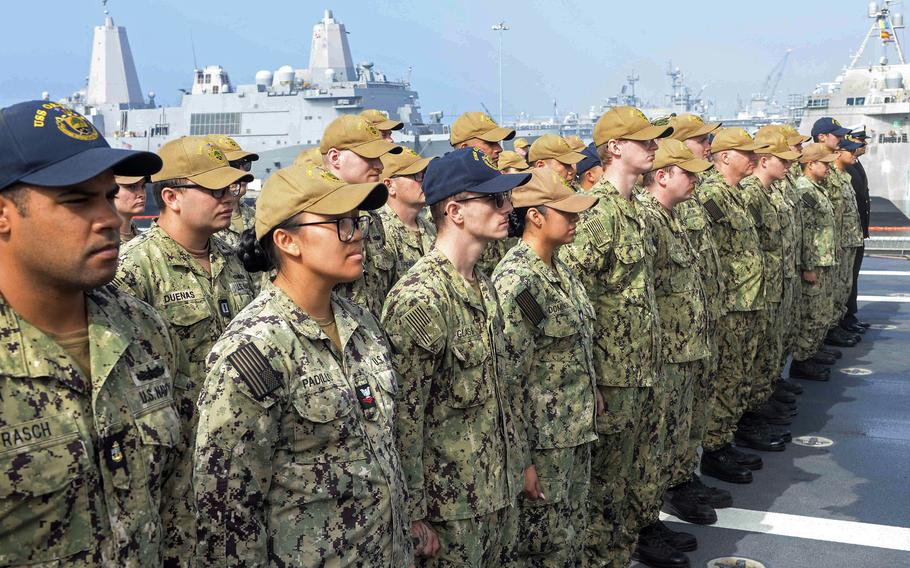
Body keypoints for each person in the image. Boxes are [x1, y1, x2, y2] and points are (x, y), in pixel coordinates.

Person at [193, 163, 413, 566]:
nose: (357, 233)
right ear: (287, 241)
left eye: (356, 221)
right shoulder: (256, 349)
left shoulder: (359, 323)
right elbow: (227, 512)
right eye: (340, 224)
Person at [0, 100, 183, 565]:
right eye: (77, 200)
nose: (107, 219)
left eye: (106, 196)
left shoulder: (142, 330)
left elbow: (177, 506)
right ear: (4, 212)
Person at [382, 147, 530, 567]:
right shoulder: (421, 299)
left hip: (495, 494)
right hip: (451, 511)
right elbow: (404, 419)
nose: (508, 207)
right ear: (455, 211)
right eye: (495, 199)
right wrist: (412, 515)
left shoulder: (484, 286)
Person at [114, 135, 256, 563]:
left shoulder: (234, 261)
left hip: (242, 458)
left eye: (231, 188)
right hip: (177, 475)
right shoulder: (134, 269)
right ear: (171, 196)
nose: (228, 197)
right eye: (214, 190)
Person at [559, 106, 677, 568]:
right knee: (604, 486)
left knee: (627, 478)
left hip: (640, 369)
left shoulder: (633, 210)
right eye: (643, 141)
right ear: (613, 148)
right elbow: (577, 302)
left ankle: (619, 554)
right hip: (611, 377)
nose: (652, 147)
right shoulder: (596, 213)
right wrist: (591, 381)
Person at [492, 168, 601, 566]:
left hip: (570, 432)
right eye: (566, 214)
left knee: (569, 535)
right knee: (542, 546)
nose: (576, 221)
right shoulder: (519, 280)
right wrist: (523, 461)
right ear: (536, 216)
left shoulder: (557, 268)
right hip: (543, 441)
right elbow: (510, 379)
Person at [638, 140, 717, 541]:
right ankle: (647, 520)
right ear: (663, 175)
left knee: (680, 430)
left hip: (686, 346)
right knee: (655, 441)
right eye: (687, 172)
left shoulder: (674, 215)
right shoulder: (648, 220)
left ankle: (677, 485)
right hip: (664, 353)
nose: (695, 179)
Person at [696, 128, 776, 486]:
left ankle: (728, 436)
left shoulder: (736, 194)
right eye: (746, 153)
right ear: (725, 156)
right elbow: (710, 255)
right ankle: (716, 449)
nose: (753, 159)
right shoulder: (712, 195)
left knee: (740, 372)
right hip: (729, 304)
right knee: (727, 376)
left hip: (747, 300)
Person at [737, 132, 802, 448]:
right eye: (784, 159)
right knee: (753, 358)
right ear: (765, 160)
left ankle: (760, 403)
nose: (791, 164)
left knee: (767, 352)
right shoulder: (750, 194)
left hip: (771, 287)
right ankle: (749, 417)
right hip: (752, 294)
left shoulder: (767, 192)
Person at [319, 114, 402, 317]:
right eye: (369, 157)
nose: (380, 166)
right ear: (335, 157)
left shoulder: (371, 218)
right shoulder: (311, 217)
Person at [790, 145, 839, 382]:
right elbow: (805, 231)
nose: (828, 167)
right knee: (811, 313)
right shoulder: (804, 190)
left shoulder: (816, 188)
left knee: (822, 310)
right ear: (810, 164)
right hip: (815, 261)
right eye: (825, 163)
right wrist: (808, 266)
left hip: (824, 258)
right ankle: (802, 360)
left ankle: (812, 352)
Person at [449, 112, 517, 274]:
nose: (499, 149)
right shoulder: (450, 199)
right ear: (465, 149)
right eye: (490, 143)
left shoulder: (500, 186)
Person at [378, 147, 436, 290]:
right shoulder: (380, 233)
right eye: (416, 176)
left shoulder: (430, 227)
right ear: (390, 185)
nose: (424, 181)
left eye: (424, 174)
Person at [205, 135, 260, 249]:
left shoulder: (256, 218)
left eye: (246, 164)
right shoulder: (202, 222)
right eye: (233, 165)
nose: (243, 171)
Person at [844, 129, 872, 330]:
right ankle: (844, 318)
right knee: (847, 278)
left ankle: (848, 316)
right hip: (848, 236)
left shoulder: (855, 164)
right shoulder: (845, 168)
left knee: (851, 277)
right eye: (858, 142)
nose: (862, 146)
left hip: (856, 232)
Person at [114, 174, 147, 242]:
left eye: (143, 186)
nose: (142, 194)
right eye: (132, 186)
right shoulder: (101, 244)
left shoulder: (147, 240)